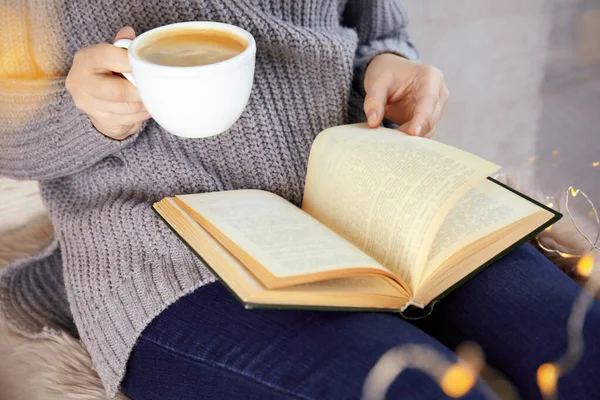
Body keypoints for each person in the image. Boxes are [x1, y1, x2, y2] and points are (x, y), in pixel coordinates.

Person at [0, 1, 598, 399]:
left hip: (370, 194)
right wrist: (85, 114)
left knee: (584, 349)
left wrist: (389, 64)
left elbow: (374, 25)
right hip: (167, 252)